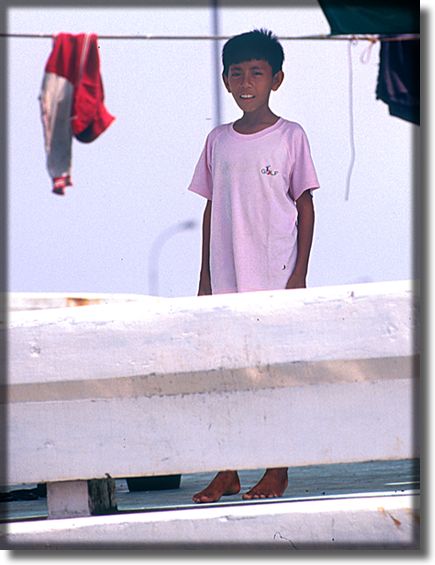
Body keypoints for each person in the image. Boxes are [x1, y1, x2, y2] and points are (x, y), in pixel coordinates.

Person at [187, 29, 320, 503]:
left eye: (257, 73)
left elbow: (304, 206)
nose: (247, 82)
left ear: (276, 79)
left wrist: (299, 275)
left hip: (275, 276)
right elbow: (210, 207)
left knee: (271, 373)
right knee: (226, 374)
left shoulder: (291, 136)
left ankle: (276, 468)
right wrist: (205, 278)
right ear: (225, 80)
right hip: (226, 279)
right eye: (237, 73)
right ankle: (228, 470)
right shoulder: (217, 140)